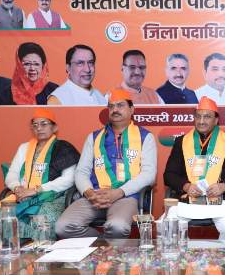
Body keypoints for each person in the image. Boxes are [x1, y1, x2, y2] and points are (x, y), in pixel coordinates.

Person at [55, 89, 157, 239]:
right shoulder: (94, 137)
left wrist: (119, 192)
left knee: (117, 227)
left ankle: (105, 248)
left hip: (126, 196)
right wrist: (89, 193)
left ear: (132, 109)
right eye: (111, 106)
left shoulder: (145, 137)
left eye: (120, 105)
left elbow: (149, 175)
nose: (115, 110)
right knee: (63, 227)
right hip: (95, 196)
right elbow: (81, 172)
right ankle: (101, 243)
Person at [0, 109, 80, 241]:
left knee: (45, 216)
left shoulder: (63, 148)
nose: (39, 128)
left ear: (54, 127)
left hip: (52, 197)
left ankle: (40, 252)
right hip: (22, 196)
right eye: (35, 125)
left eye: (44, 124)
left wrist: (36, 190)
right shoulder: (24, 148)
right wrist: (17, 188)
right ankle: (2, 253)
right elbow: (12, 174)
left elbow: (69, 179)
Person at [163, 97, 225, 239]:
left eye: (207, 117)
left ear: (216, 120)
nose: (201, 121)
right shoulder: (181, 142)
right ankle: (182, 254)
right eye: (198, 116)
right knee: (168, 227)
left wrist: (224, 186)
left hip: (221, 200)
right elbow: (169, 175)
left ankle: (223, 253)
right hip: (189, 199)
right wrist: (186, 186)